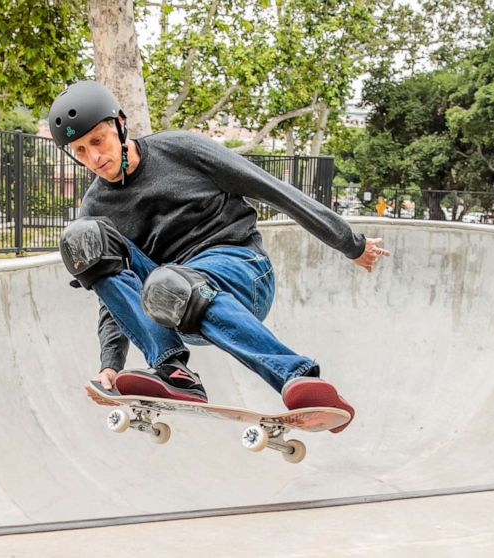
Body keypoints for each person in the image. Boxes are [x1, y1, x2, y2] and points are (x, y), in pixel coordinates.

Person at [49, 81, 390, 432]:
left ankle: (296, 377)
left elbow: (274, 190)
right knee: (83, 238)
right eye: (80, 151)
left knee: (169, 280)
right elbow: (114, 292)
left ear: (120, 124)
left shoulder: (181, 150)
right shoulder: (96, 206)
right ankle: (175, 372)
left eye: (98, 141)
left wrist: (350, 243)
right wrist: (111, 363)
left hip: (242, 271)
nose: (94, 158)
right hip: (171, 300)